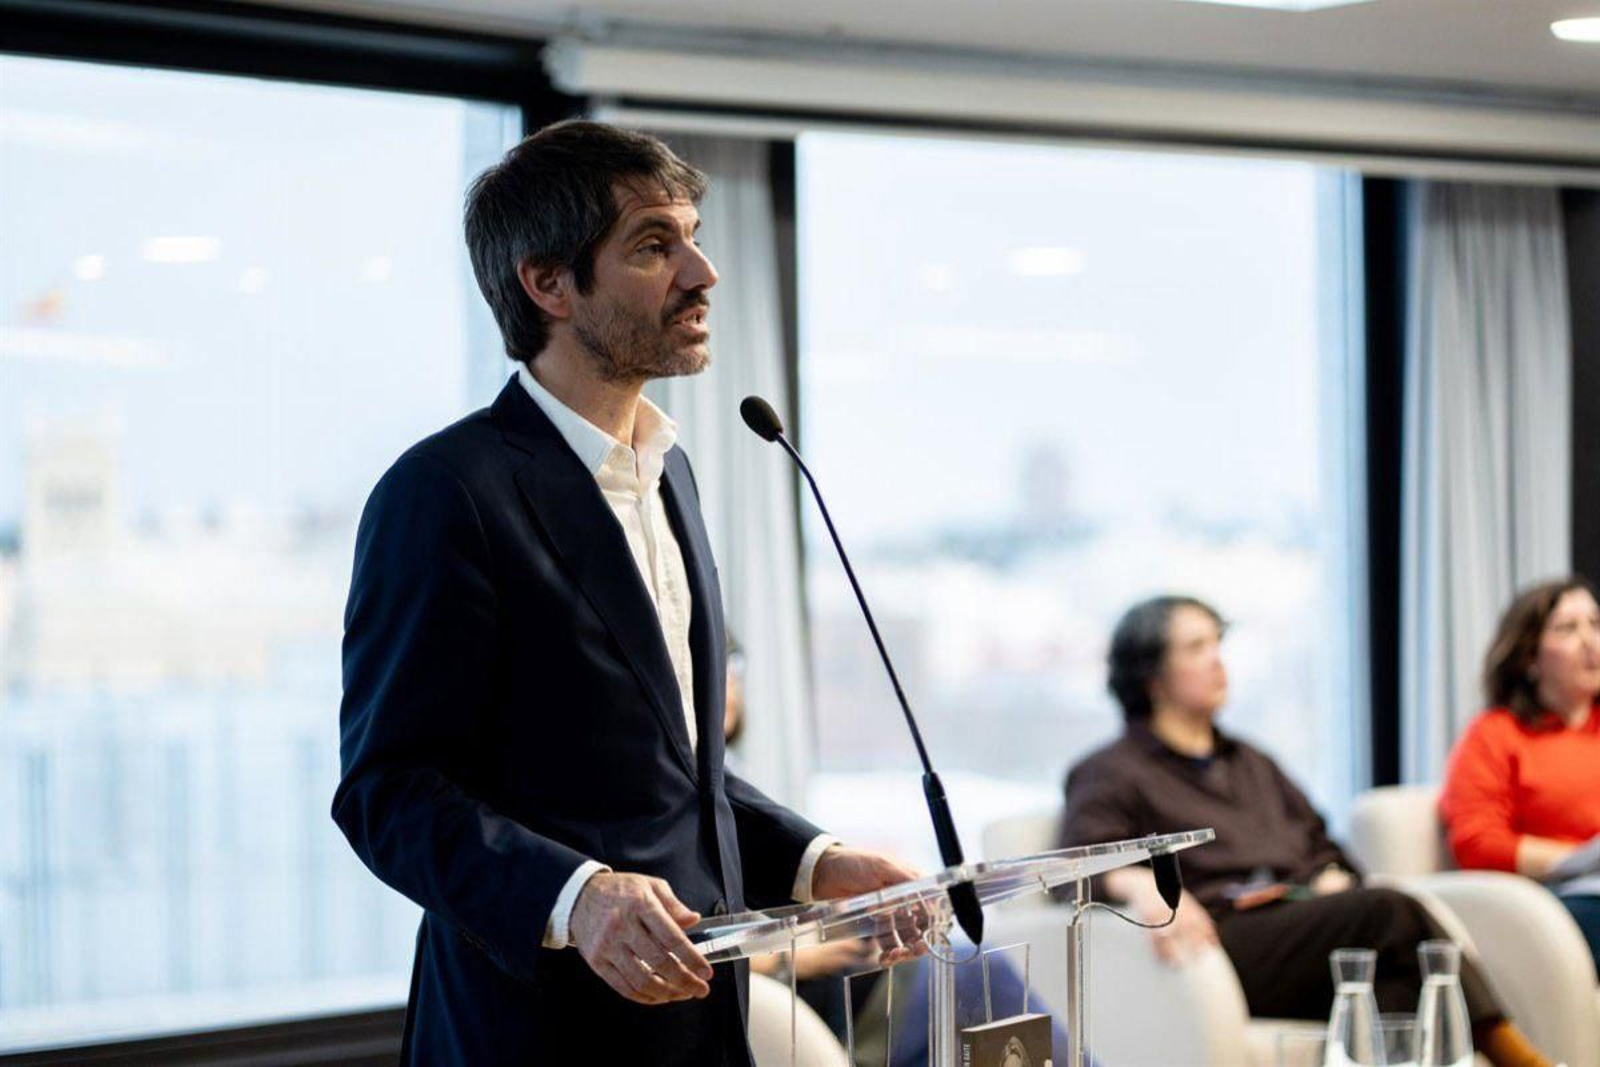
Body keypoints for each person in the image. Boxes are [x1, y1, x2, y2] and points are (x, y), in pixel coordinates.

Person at [332, 120, 921, 1066]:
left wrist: (816, 861)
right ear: (549, 283)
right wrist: (577, 893)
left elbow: (671, 770)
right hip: (530, 1032)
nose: (702, 271)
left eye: (693, 235)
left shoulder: (670, 472)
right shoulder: (446, 493)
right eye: (655, 245)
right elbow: (387, 792)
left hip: (695, 1021)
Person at [1058, 595, 1550, 1067]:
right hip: (1220, 942)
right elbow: (1072, 868)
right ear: (1151, 677)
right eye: (1196, 648)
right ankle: (1516, 1057)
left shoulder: (1251, 762)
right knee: (1390, 910)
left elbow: (1323, 844)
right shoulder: (1112, 771)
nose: (1217, 662)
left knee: (1396, 979)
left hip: (1303, 922)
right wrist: (1136, 881)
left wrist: (1333, 875)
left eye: (1217, 645)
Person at [1439, 577, 1600, 964]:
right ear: (1529, 657)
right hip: (1553, 898)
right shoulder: (1495, 733)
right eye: (1567, 629)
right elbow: (1477, 841)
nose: (1590, 641)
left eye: (1595, 624)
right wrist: (1575, 857)